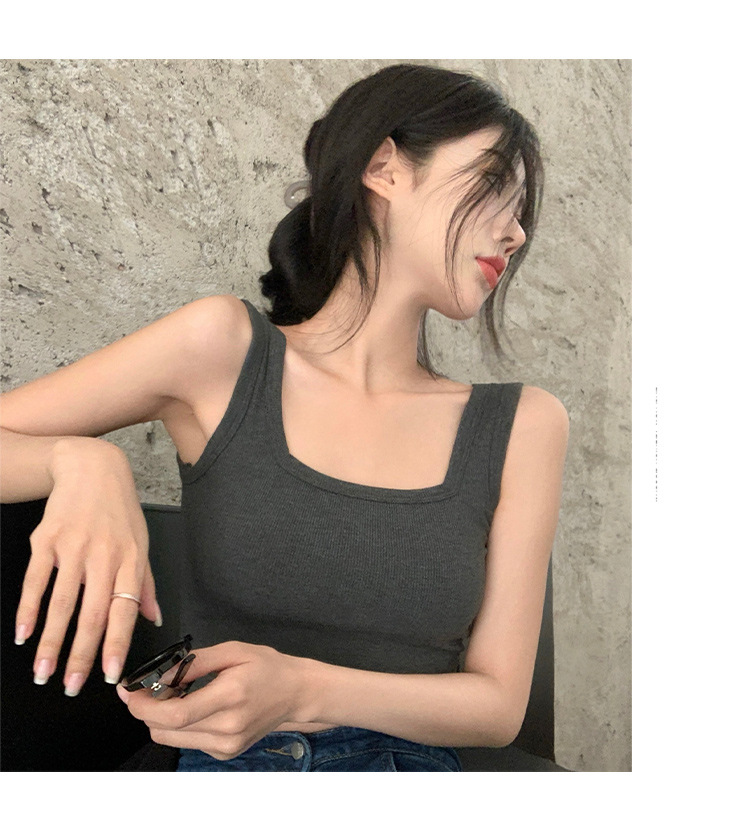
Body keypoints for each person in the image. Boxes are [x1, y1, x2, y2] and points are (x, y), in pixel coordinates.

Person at [0, 63, 569, 771]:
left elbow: (497, 706)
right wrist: (83, 461)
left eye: (523, 212)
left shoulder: (522, 425)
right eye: (493, 186)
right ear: (384, 168)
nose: (515, 233)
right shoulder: (222, 350)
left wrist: (302, 688)